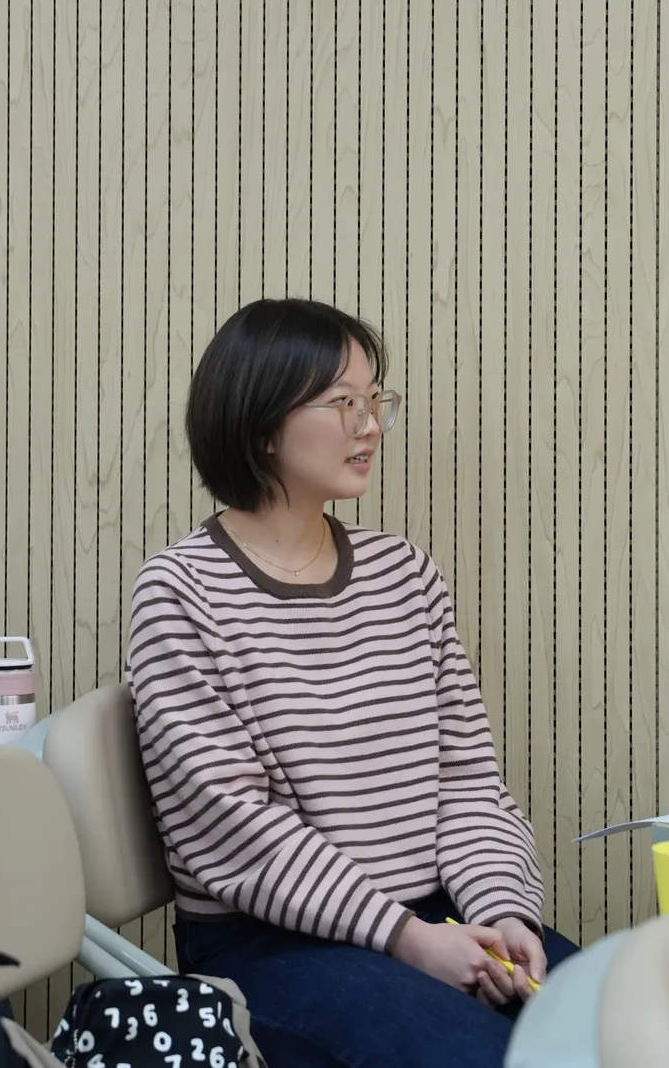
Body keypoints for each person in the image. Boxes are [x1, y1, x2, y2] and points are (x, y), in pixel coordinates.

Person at [128, 298, 576, 1068]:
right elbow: (234, 828)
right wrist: (407, 939)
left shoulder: (404, 573)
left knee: (627, 1026)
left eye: (376, 401)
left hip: (440, 913)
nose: (370, 426)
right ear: (263, 425)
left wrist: (505, 912)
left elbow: (467, 781)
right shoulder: (180, 591)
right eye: (344, 403)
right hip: (273, 944)